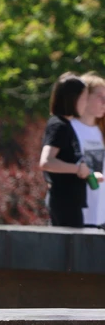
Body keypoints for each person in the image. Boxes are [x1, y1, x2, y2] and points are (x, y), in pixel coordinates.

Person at [39, 72, 99, 227]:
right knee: (70, 250)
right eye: (84, 99)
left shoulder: (67, 125)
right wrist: (77, 169)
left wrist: (88, 174)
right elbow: (46, 162)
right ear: (72, 99)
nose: (85, 104)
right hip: (64, 202)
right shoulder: (58, 125)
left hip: (72, 201)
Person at [75, 73, 105, 226]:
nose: (104, 101)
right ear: (84, 97)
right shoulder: (68, 127)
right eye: (99, 96)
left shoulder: (101, 130)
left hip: (100, 214)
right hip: (76, 212)